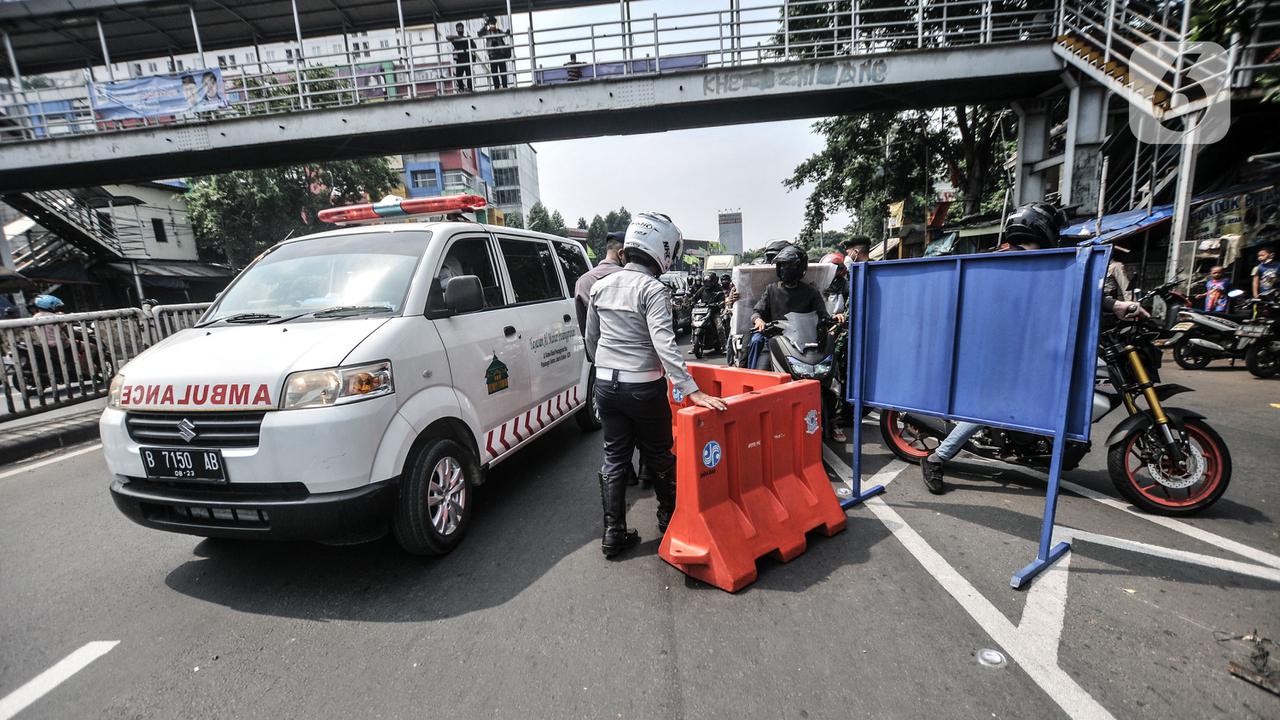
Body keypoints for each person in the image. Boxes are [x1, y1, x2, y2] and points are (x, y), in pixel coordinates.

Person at [917, 203, 1147, 495]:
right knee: (989, 407)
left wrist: (1115, 306)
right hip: (997, 353)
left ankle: (1034, 440)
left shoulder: (1038, 261)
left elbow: (1075, 291)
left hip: (1021, 350)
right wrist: (1115, 306)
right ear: (1041, 228)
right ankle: (937, 458)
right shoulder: (1012, 260)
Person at [585, 212, 727, 557]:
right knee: (660, 452)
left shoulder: (600, 287)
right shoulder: (652, 289)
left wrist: (607, 366)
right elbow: (665, 345)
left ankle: (613, 534)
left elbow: (591, 341)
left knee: (614, 457)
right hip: (643, 387)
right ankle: (668, 520)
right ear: (662, 249)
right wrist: (693, 390)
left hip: (605, 385)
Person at [749, 244, 847, 442]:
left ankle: (832, 419)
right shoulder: (771, 290)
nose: (784, 270)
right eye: (782, 266)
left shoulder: (810, 291)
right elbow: (757, 312)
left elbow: (822, 315)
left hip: (806, 342)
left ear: (799, 268)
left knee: (832, 380)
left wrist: (834, 318)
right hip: (777, 342)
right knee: (760, 379)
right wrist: (758, 320)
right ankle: (756, 421)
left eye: (788, 266)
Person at [573, 231, 625, 336]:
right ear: (621, 253)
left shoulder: (583, 281)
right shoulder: (631, 278)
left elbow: (585, 331)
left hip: (599, 349)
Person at [477, 15, 512, 89]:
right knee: (494, 72)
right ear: (489, 25)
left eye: (493, 23)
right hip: (492, 54)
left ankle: (505, 86)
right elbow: (479, 34)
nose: (492, 25)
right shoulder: (487, 32)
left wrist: (507, 32)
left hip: (500, 54)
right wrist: (485, 25)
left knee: (503, 71)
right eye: (491, 24)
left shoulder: (499, 31)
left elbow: (505, 34)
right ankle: (497, 86)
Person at [445, 23, 476, 93]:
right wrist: (459, 37)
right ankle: (461, 88)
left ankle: (470, 88)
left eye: (461, 28)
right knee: (458, 76)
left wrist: (469, 39)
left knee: (469, 75)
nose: (460, 29)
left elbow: (474, 47)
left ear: (463, 29)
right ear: (456, 29)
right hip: (460, 60)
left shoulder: (467, 38)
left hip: (468, 59)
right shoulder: (455, 39)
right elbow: (447, 37)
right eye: (458, 28)